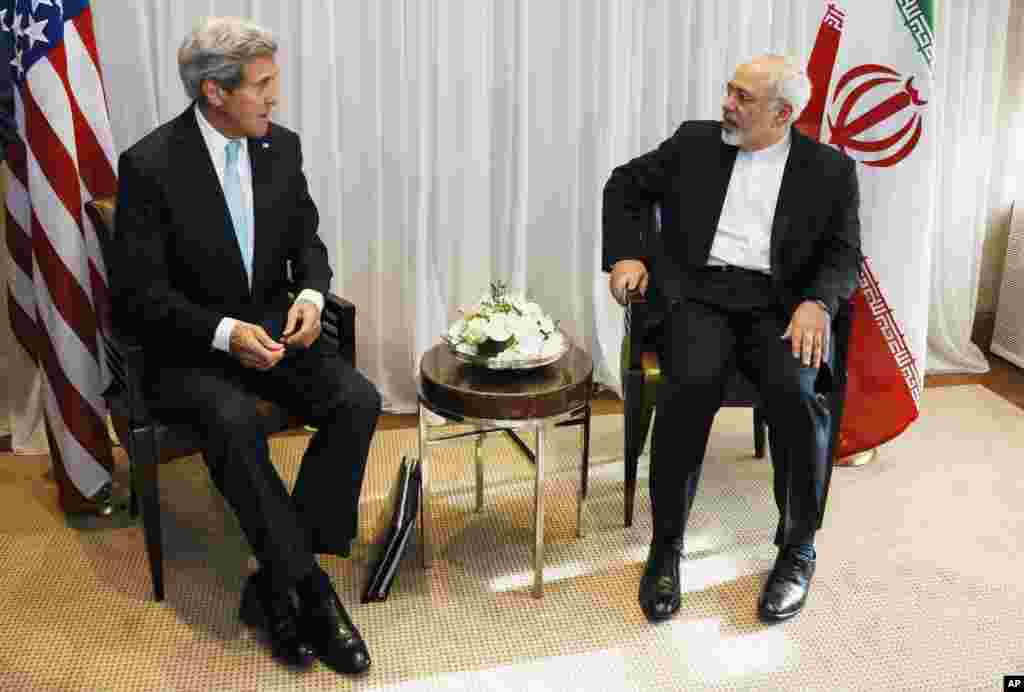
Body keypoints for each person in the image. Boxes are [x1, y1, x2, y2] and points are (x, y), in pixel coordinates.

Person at [112, 17, 381, 675]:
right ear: (214, 92)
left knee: (358, 399)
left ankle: (276, 580)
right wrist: (226, 335)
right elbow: (140, 297)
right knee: (231, 421)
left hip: (274, 334)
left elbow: (308, 245)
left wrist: (312, 297)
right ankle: (312, 594)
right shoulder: (148, 166)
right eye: (261, 86)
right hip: (190, 349)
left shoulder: (279, 148)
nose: (273, 99)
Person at [602, 55, 861, 624]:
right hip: (699, 294)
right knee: (687, 387)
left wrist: (817, 303)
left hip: (780, 305)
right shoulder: (694, 143)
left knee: (798, 398)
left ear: (783, 113)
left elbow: (844, 254)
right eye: (729, 90)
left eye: (743, 97)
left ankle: (797, 550)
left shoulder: (830, 171)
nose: (727, 104)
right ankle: (665, 547)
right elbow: (624, 186)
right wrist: (626, 253)